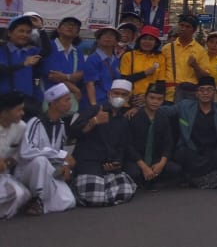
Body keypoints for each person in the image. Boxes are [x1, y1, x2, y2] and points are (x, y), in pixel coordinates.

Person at [70, 78, 139, 207]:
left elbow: (122, 146)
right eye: (116, 93)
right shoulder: (95, 110)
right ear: (109, 94)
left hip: (108, 165)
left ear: (128, 98)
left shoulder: (122, 120)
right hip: (88, 161)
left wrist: (116, 163)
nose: (119, 97)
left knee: (126, 191)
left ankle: (105, 194)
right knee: (95, 197)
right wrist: (94, 122)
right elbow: (73, 132)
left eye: (124, 95)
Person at [16, 83, 76, 215]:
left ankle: (40, 204)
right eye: (66, 100)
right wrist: (59, 155)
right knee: (40, 161)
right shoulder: (35, 122)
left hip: (50, 170)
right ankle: (36, 198)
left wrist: (65, 165)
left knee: (68, 201)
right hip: (27, 172)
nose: (70, 103)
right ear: (53, 103)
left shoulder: (60, 124)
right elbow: (26, 151)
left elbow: (62, 151)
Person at [161, 76, 217, 189]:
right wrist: (140, 108)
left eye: (209, 89)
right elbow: (165, 111)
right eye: (201, 90)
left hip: (212, 150)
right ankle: (211, 177)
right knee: (182, 154)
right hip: (191, 149)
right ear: (196, 93)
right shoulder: (185, 106)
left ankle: (194, 178)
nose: (205, 93)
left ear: (214, 93)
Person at [126, 82, 180, 189]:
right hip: (137, 160)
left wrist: (162, 163)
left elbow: (168, 143)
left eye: (159, 99)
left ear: (163, 101)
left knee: (176, 169)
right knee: (134, 173)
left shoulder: (163, 117)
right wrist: (143, 166)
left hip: (155, 159)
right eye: (152, 98)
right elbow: (128, 145)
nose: (155, 102)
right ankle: (146, 180)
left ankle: (152, 180)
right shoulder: (134, 116)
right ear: (145, 98)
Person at [37, 16, 85, 107]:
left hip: (69, 102)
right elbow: (53, 75)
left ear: (77, 34)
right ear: (58, 29)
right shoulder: (48, 46)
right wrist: (75, 89)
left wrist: (65, 76)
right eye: (67, 24)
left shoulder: (77, 51)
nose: (70, 27)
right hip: (49, 100)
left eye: (75, 26)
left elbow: (81, 73)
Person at [161, 14, 210, 103]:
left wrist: (195, 66)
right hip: (169, 97)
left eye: (188, 26)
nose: (183, 28)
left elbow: (205, 77)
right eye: (181, 25)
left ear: (194, 30)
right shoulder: (167, 48)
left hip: (189, 97)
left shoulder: (200, 51)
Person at [0, 92, 30, 219]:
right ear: (5, 112)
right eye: (19, 110)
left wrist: (6, 163)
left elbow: (19, 155)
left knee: (22, 194)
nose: (22, 113)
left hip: (4, 175)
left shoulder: (22, 127)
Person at [119, 25, 166, 104]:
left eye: (151, 39)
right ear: (139, 40)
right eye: (144, 39)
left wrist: (147, 96)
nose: (147, 42)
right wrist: (144, 73)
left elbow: (160, 83)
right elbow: (124, 80)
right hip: (129, 100)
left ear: (156, 43)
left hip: (150, 101)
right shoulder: (129, 56)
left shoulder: (160, 58)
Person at [0, 15, 42, 98]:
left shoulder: (31, 50)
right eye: (21, 31)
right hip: (5, 103)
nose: (25, 35)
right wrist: (23, 64)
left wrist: (41, 28)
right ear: (9, 33)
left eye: (28, 32)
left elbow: (47, 50)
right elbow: (2, 70)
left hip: (27, 101)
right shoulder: (2, 49)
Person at [82, 24, 121, 108]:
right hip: (96, 102)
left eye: (112, 35)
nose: (108, 37)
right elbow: (90, 84)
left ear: (116, 42)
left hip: (112, 103)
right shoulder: (93, 59)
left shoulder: (116, 60)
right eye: (104, 34)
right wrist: (94, 106)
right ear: (98, 40)